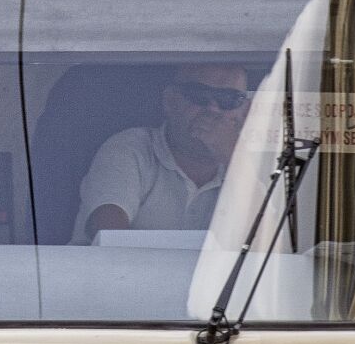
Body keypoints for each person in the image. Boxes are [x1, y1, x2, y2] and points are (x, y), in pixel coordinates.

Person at [76, 62, 256, 241]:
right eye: (198, 95)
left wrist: (234, 158)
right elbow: (108, 236)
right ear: (170, 101)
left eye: (229, 99)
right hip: (109, 269)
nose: (213, 109)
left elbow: (275, 242)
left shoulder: (255, 168)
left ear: (245, 111)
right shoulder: (130, 148)